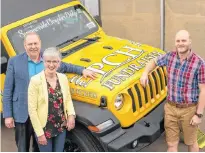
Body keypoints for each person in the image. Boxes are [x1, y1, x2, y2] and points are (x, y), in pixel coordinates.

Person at [3, 32, 96, 152]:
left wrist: (82, 70)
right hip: (22, 113)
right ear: (25, 46)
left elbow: (65, 66)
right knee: (22, 148)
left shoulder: (47, 60)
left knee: (39, 147)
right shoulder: (14, 61)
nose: (33, 47)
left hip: (43, 114)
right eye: (29, 44)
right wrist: (8, 115)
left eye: (35, 43)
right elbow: (8, 90)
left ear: (40, 44)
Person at [140, 30, 205, 152]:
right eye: (178, 41)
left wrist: (198, 115)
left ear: (190, 42)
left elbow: (203, 91)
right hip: (170, 108)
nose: (180, 43)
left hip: (189, 110)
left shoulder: (199, 63)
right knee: (171, 144)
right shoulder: (170, 56)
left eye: (184, 40)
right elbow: (153, 62)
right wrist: (145, 73)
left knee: (191, 143)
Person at [28, 47, 75, 152]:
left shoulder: (63, 78)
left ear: (59, 63)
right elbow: (32, 110)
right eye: (48, 61)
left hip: (60, 126)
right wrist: (39, 134)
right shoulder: (35, 81)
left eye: (55, 61)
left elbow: (67, 100)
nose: (51, 64)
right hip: (44, 129)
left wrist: (71, 115)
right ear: (43, 62)